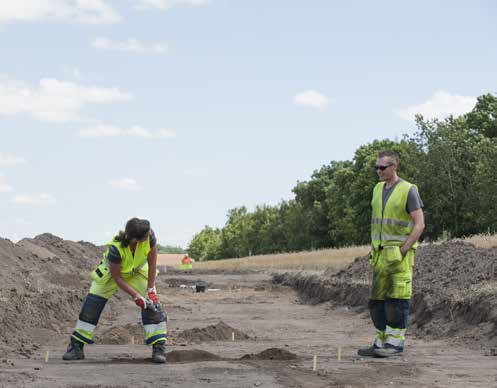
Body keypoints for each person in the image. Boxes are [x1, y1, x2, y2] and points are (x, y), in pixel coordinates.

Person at [62, 218, 168, 363]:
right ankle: (76, 347)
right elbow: (117, 277)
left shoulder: (150, 238)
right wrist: (136, 296)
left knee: (152, 305)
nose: (150, 232)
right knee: (92, 304)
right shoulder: (115, 249)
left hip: (137, 272)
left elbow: (152, 264)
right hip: (112, 273)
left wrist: (150, 290)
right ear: (136, 239)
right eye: (147, 232)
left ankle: (158, 348)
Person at [358, 150, 425, 358]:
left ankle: (395, 345)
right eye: (376, 167)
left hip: (399, 257)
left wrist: (403, 249)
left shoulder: (408, 190)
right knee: (377, 302)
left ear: (394, 167)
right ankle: (380, 343)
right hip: (379, 257)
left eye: (382, 167)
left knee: (396, 301)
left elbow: (419, 224)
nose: (378, 171)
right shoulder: (377, 189)